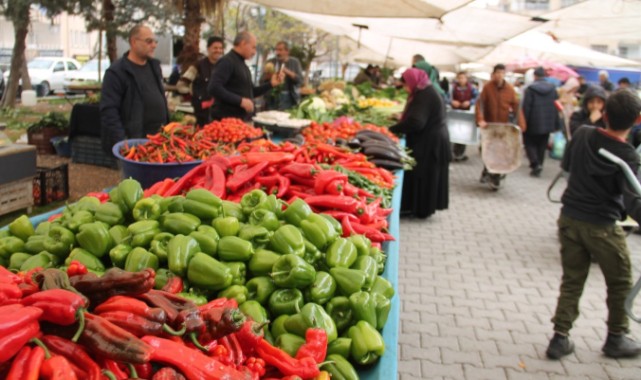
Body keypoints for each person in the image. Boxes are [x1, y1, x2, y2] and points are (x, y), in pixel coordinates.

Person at [546, 90, 641, 360]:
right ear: (637, 120)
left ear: (605, 113)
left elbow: (566, 166)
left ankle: (559, 338)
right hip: (601, 226)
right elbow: (633, 202)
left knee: (572, 280)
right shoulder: (627, 155)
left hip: (569, 218)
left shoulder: (584, 134)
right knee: (621, 281)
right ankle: (616, 337)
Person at [389, 68, 450, 219]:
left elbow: (416, 122)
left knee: (425, 174)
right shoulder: (425, 90)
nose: (405, 88)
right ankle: (421, 208)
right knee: (427, 174)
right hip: (432, 137)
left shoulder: (424, 94)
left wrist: (393, 129)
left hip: (431, 141)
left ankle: (422, 209)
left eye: (405, 84)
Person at [100, 24, 168, 155]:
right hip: (134, 145)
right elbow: (109, 111)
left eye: (155, 41)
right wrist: (123, 143)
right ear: (133, 41)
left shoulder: (154, 67)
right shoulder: (117, 72)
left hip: (159, 142)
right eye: (148, 41)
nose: (153, 45)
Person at [208, 31, 284, 121]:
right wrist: (240, 101)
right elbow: (214, 87)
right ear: (243, 43)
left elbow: (252, 92)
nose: (254, 52)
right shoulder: (227, 61)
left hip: (240, 121)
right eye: (253, 47)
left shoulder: (243, 65)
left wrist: (271, 84)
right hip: (225, 121)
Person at [475, 63, 520, 187]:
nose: (499, 75)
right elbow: (480, 105)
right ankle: (486, 170)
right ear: (493, 74)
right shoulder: (487, 88)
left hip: (503, 127)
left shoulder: (510, 89)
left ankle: (496, 176)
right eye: (497, 73)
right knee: (487, 149)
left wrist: (520, 125)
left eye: (502, 73)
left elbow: (516, 106)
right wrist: (480, 119)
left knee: (500, 151)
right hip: (489, 126)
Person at [520, 67, 562, 177]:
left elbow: (526, 107)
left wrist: (524, 122)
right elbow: (556, 106)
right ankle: (540, 164)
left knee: (529, 143)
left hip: (533, 121)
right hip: (548, 123)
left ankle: (535, 164)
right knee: (542, 145)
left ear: (535, 76)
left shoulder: (530, 89)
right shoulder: (552, 89)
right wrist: (556, 123)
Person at [176, 37, 224, 126]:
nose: (218, 50)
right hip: (201, 114)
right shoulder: (198, 66)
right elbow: (181, 85)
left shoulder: (224, 67)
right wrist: (193, 98)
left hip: (219, 115)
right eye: (215, 48)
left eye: (220, 48)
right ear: (208, 49)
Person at [264, 41, 303, 110]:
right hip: (272, 97)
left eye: (280, 50)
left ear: (287, 51)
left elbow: (300, 80)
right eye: (276, 50)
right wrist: (270, 75)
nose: (277, 52)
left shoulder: (294, 62)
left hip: (288, 97)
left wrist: (287, 72)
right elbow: (262, 80)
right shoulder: (271, 62)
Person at [450, 71, 479, 161]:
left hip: (467, 115)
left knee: (464, 135)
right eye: (460, 78)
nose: (461, 80)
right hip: (455, 114)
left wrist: (469, 102)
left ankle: (460, 154)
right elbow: (447, 98)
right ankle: (453, 154)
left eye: (463, 78)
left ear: (466, 79)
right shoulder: (453, 88)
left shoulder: (472, 89)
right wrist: (452, 102)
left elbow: (477, 98)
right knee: (453, 134)